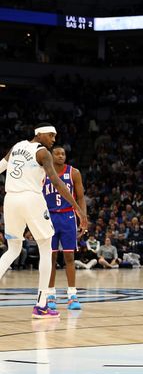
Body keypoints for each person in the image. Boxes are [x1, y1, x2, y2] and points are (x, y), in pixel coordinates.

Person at [0, 124, 87, 318]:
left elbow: (0, 167)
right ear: (39, 134)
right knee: (46, 248)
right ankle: (42, 304)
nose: (53, 140)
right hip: (31, 199)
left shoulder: (17, 147)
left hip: (11, 199)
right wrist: (78, 209)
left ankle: (44, 301)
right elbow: (57, 182)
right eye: (51, 135)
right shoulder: (42, 153)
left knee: (13, 249)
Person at [44, 146, 87, 311]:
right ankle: (50, 295)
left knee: (69, 257)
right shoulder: (43, 172)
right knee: (51, 259)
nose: (61, 156)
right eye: (57, 153)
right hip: (49, 217)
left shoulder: (74, 172)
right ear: (51, 155)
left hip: (68, 217)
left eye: (63, 153)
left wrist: (83, 216)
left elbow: (81, 197)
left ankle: (72, 295)